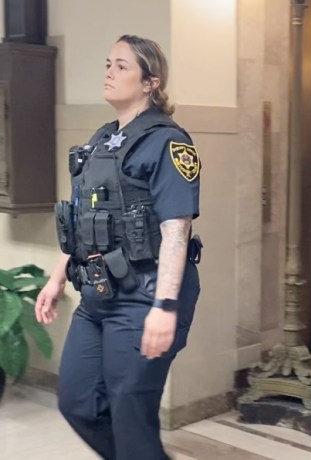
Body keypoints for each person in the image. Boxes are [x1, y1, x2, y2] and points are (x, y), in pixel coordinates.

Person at [35, 35, 202, 460]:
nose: (109, 72)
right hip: (97, 295)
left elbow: (176, 231)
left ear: (151, 82)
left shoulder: (168, 142)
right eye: (108, 63)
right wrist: (56, 280)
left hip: (144, 298)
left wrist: (165, 306)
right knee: (77, 402)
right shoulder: (102, 139)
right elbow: (80, 221)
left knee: (130, 413)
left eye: (122, 66)